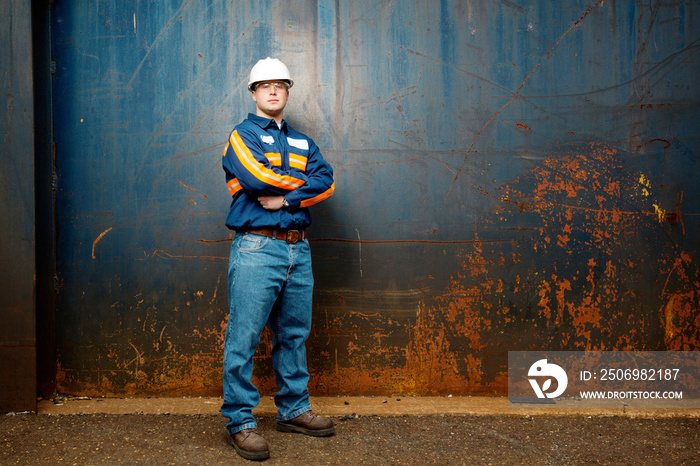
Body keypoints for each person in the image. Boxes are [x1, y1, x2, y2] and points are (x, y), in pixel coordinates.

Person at [220, 57, 336, 461]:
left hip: (297, 247)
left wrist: (288, 196)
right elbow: (255, 178)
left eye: (280, 85)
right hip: (257, 246)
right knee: (244, 336)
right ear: (253, 92)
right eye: (263, 85)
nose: (272, 91)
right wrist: (303, 186)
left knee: (293, 334)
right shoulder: (242, 135)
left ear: (287, 91)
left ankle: (293, 410)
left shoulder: (305, 142)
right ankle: (240, 421)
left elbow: (328, 181)